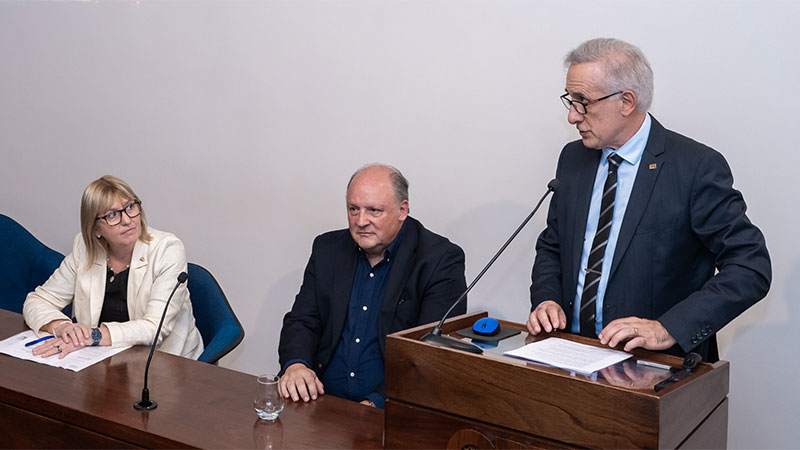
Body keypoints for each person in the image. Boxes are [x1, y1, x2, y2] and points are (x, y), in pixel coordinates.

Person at [527, 38, 771, 361]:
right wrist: (547, 299)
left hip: (654, 366)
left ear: (627, 101)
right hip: (572, 356)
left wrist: (668, 328)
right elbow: (553, 245)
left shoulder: (694, 167)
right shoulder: (573, 159)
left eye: (583, 102)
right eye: (570, 100)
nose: (573, 116)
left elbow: (749, 266)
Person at [278, 163, 467, 408]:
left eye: (374, 211)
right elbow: (302, 320)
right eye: (353, 209)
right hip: (320, 400)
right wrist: (296, 365)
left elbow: (430, 355)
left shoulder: (440, 260)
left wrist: (375, 404)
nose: (361, 221)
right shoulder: (327, 248)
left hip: (390, 407)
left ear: (402, 210)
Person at [23, 175, 203, 359]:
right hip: (102, 359)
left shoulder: (167, 249)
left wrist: (92, 336)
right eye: (112, 215)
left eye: (130, 207)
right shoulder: (84, 248)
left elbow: (155, 327)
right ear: (95, 229)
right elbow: (38, 301)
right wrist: (63, 327)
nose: (127, 220)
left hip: (165, 360)